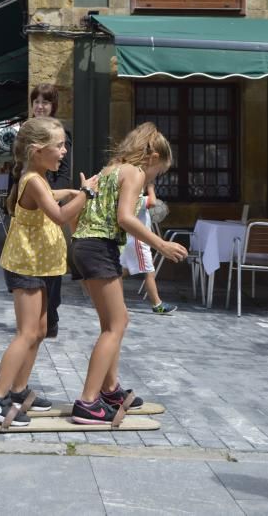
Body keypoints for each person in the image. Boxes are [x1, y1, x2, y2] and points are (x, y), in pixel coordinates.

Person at [0, 117, 99, 426]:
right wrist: (86, 193)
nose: (63, 152)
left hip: (41, 265)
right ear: (36, 150)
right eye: (58, 146)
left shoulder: (38, 177)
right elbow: (58, 216)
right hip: (26, 265)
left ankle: (18, 391)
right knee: (27, 332)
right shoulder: (33, 179)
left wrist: (71, 191)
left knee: (41, 330)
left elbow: (52, 198)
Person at [70, 122, 187, 424]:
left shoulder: (110, 168)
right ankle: (87, 401)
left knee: (113, 321)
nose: (154, 177)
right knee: (117, 323)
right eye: (157, 171)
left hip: (86, 245)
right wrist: (160, 244)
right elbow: (124, 218)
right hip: (99, 246)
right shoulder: (134, 172)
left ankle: (110, 390)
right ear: (150, 157)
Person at [30, 83, 76, 338]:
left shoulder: (60, 133)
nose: (39, 106)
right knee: (30, 261)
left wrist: (48, 196)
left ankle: (52, 316)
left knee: (51, 262)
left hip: (50, 202)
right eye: (36, 101)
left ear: (52, 106)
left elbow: (65, 172)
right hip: (28, 204)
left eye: (45, 102)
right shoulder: (26, 131)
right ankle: (34, 316)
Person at [120, 183, 177, 315]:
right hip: (138, 241)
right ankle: (157, 304)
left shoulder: (127, 199)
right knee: (149, 272)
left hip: (131, 239)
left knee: (123, 270)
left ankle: (104, 289)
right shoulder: (137, 199)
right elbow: (152, 202)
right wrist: (151, 186)